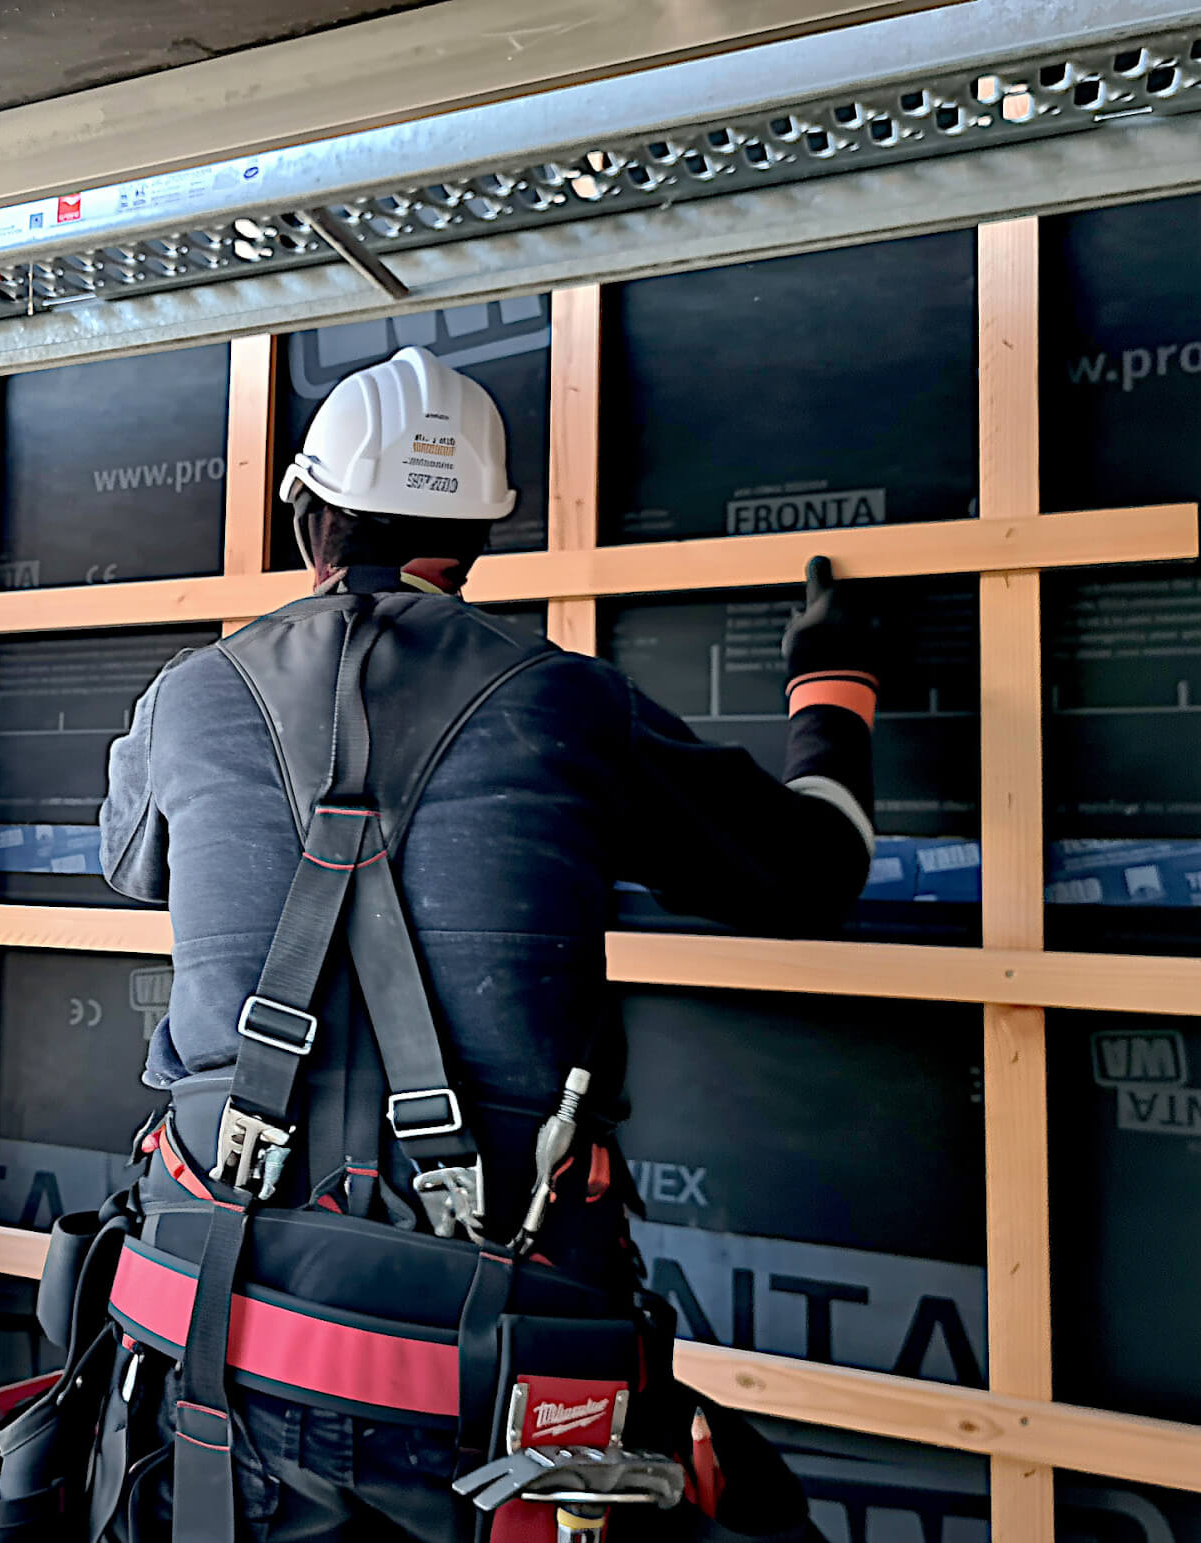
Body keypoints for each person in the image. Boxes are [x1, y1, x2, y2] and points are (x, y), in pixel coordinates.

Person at [83, 347, 877, 1540]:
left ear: (307, 514)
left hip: (211, 1339)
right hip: (490, 1364)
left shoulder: (191, 693)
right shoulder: (567, 704)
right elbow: (814, 871)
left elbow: (131, 860)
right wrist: (834, 687)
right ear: (478, 540)